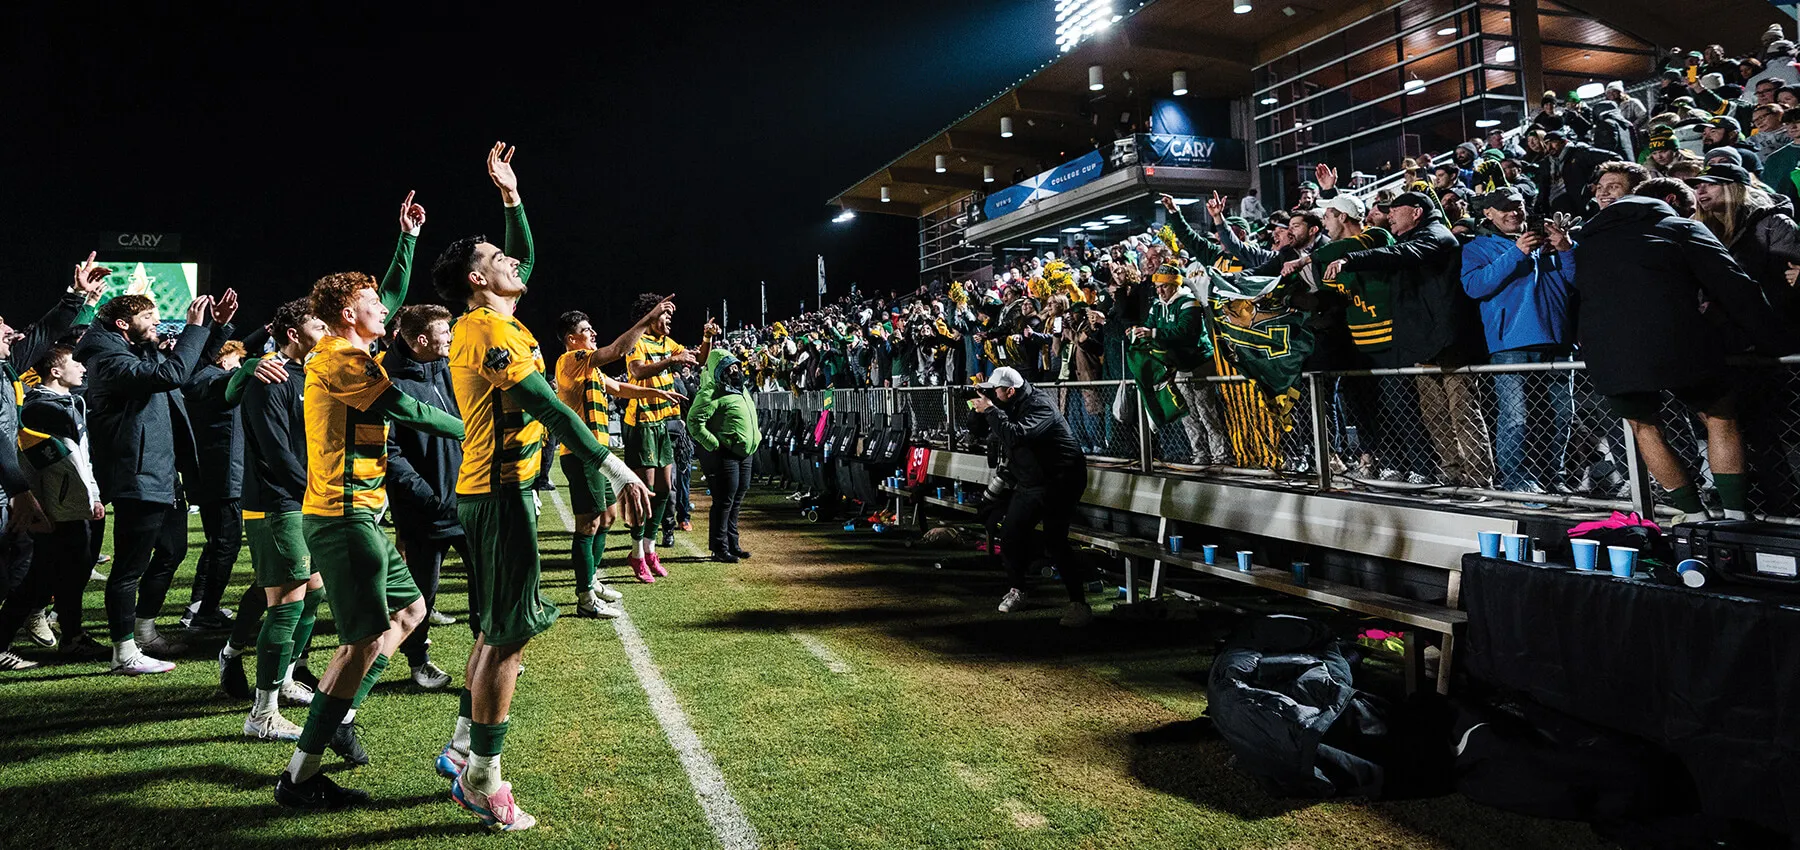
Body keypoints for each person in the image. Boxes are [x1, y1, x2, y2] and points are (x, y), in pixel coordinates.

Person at [431, 142, 651, 830]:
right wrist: (612, 464)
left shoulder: (493, 317)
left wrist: (511, 199)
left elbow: (521, 253)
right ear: (475, 278)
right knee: (508, 639)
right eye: (498, 260)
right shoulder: (484, 330)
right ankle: (482, 778)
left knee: (497, 629)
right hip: (496, 495)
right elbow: (547, 407)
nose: (515, 262)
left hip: (501, 491)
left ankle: (464, 748)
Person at [1572, 184, 1795, 521]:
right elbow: (1736, 285)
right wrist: (1774, 342)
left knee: (1645, 428)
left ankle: (1692, 514)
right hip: (1676, 339)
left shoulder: (1588, 240)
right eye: (1689, 208)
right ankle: (1735, 513)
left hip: (1608, 352)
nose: (1693, 215)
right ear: (1672, 201)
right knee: (1720, 417)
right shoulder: (1681, 227)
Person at [79, 285, 238, 673]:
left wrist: (215, 328)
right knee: (129, 568)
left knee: (172, 550)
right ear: (123, 324)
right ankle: (123, 650)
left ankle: (144, 629)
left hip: (162, 470)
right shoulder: (106, 359)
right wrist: (193, 328)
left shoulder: (133, 350)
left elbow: (185, 365)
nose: (155, 325)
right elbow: (172, 373)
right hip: (137, 472)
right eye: (148, 318)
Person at [1330, 192, 1492, 488]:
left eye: (1395, 210)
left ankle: (1480, 481)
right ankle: (1451, 475)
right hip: (1424, 345)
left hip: (1450, 344)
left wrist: (1350, 259)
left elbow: (1399, 255)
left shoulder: (1437, 235)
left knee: (1463, 415)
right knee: (1436, 417)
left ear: (1416, 212)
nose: (1389, 216)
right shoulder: (1412, 238)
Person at [0, 256, 105, 672]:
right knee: (19, 568)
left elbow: (45, 333)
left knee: (25, 565)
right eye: (3, 326)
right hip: (10, 489)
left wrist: (78, 297)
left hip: (8, 489)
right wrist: (21, 491)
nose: (13, 331)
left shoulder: (5, 369)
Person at [233, 298, 327, 742]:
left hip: (306, 498)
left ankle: (285, 678)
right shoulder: (268, 376)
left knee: (312, 593)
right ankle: (262, 712)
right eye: (317, 323)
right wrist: (315, 490)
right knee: (286, 601)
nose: (326, 330)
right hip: (276, 502)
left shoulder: (308, 374)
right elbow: (275, 451)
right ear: (293, 332)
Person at [553, 307, 681, 612]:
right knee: (589, 523)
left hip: (597, 456)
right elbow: (619, 350)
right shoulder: (570, 361)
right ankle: (585, 596)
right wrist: (647, 320)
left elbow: (620, 388)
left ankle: (592, 580)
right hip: (580, 454)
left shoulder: (591, 370)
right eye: (587, 330)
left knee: (608, 517)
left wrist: (658, 395)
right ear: (571, 339)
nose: (593, 333)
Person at [1459, 187, 1577, 495]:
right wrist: (1517, 252)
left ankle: (1554, 477)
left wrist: (1566, 248)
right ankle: (1517, 479)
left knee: (1561, 414)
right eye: (1505, 208)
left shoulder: (1548, 242)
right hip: (1510, 342)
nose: (1514, 212)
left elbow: (1576, 281)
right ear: (1489, 214)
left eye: (1519, 206)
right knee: (1517, 415)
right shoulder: (1477, 247)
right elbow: (1474, 287)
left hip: (1556, 340)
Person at [383, 303, 467, 689]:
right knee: (421, 596)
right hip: (424, 512)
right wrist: (429, 497)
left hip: (467, 503)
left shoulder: (448, 371)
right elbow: (391, 454)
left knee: (484, 584)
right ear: (421, 340)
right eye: (443, 333)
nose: (450, 338)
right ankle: (419, 662)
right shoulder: (388, 381)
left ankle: (485, 654)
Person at [973, 367, 1092, 627]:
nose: (992, 393)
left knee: (1055, 539)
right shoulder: (1008, 402)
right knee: (1010, 534)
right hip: (1030, 481)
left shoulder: (1041, 405)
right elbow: (979, 430)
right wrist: (980, 407)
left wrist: (991, 410)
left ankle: (1079, 603)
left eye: (996, 390)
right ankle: (1018, 589)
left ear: (1010, 391)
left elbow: (1015, 435)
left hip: (1061, 480)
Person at [622, 292, 700, 582]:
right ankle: (637, 553)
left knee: (666, 488)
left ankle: (650, 549)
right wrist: (670, 361)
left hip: (663, 422)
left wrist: (706, 338)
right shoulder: (636, 341)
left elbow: (697, 358)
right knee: (647, 490)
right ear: (651, 316)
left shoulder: (668, 343)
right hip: (641, 421)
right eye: (664, 314)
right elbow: (637, 371)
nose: (668, 319)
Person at [180, 339, 250, 632]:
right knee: (226, 545)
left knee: (215, 544)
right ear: (223, 362)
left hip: (209, 475)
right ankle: (205, 611)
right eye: (235, 361)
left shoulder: (200, 381)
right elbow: (234, 378)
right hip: (226, 477)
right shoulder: (217, 382)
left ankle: (199, 605)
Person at [687, 348, 759, 562]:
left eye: (736, 365)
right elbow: (694, 422)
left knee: (737, 498)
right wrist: (713, 443)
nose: (735, 370)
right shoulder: (710, 392)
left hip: (745, 453)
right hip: (724, 453)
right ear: (719, 371)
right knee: (724, 500)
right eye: (729, 367)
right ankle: (719, 547)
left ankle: (732, 543)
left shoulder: (741, 389)